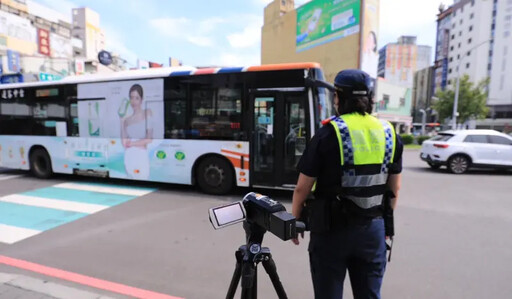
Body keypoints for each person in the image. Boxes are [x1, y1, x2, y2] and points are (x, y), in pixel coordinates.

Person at [291, 69, 403, 299]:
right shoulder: (389, 132)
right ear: (370, 99)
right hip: (373, 229)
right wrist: (384, 224)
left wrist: (295, 219)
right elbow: (394, 189)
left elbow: (302, 187)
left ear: (338, 98)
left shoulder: (328, 133)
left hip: (331, 231)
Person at [120, 84, 153, 179]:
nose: (133, 101)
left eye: (137, 98)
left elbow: (149, 139)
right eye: (131, 98)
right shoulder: (126, 119)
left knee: (142, 176)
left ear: (141, 100)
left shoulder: (147, 113)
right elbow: (124, 142)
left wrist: (132, 144)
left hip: (141, 156)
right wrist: (121, 122)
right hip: (129, 156)